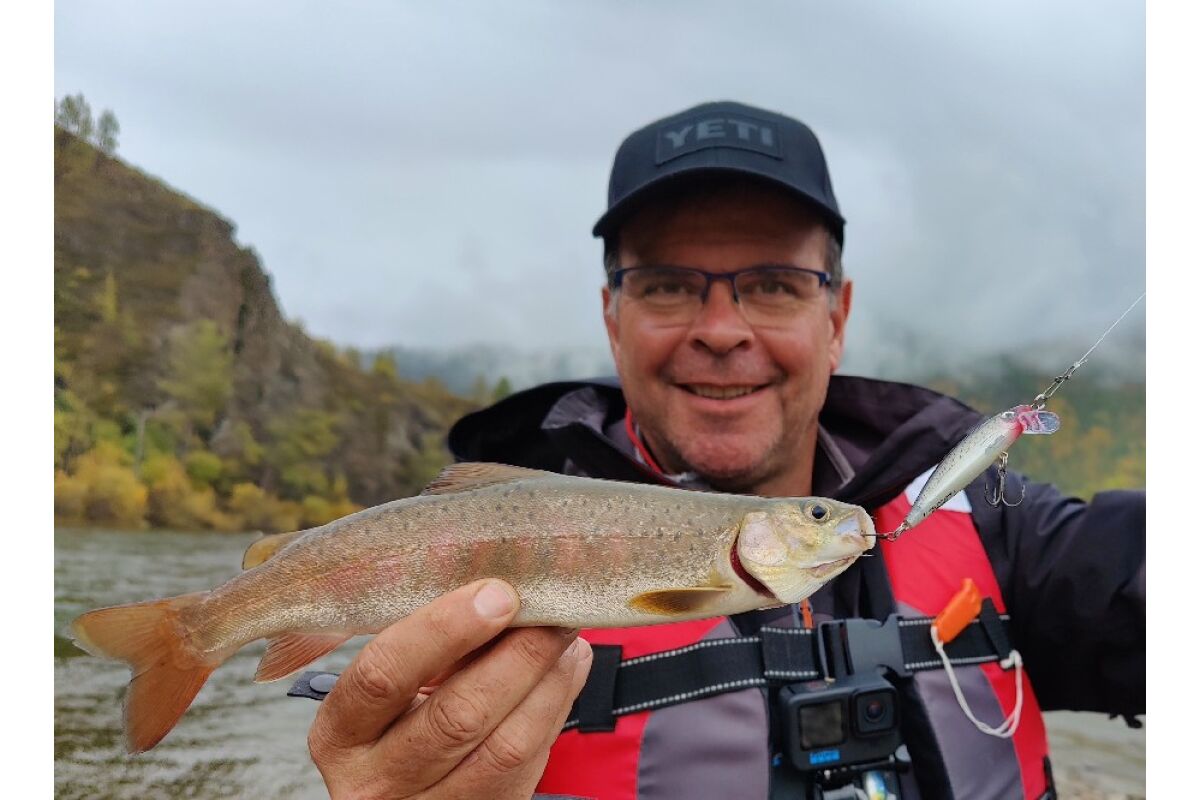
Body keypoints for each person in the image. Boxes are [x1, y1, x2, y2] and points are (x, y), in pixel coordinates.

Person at [305, 102, 1145, 799]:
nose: (720, 330)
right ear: (612, 319)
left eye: (774, 285)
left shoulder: (1001, 525)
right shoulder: (479, 549)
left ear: (837, 319)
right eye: (669, 285)